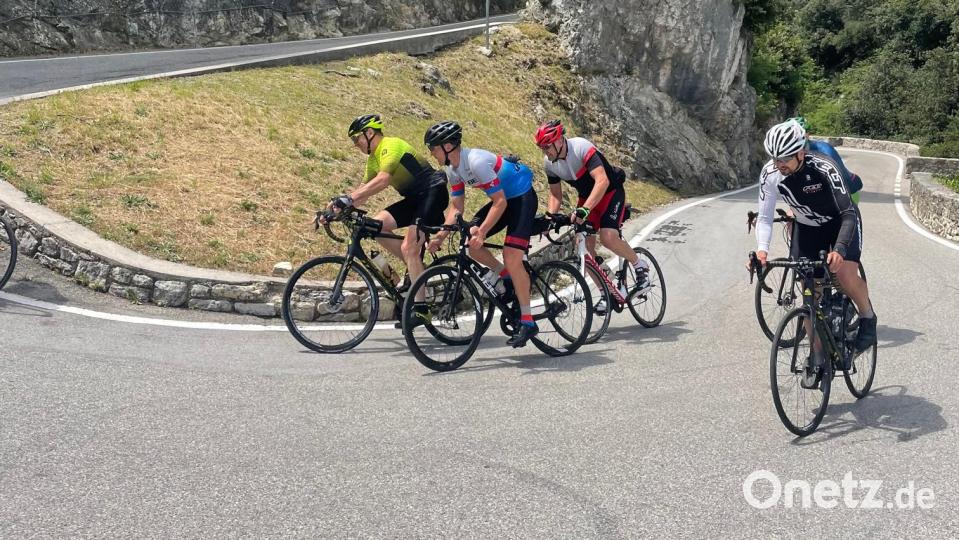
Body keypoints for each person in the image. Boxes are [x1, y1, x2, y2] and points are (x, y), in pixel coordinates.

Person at [752, 120, 877, 387]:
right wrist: (762, 252)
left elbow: (847, 213)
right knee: (809, 294)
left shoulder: (824, 167)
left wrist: (840, 250)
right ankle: (817, 356)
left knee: (843, 273)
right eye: (775, 158)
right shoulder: (770, 174)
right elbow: (764, 217)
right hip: (807, 228)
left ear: (801, 152)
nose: (779, 164)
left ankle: (867, 316)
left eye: (785, 157)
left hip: (840, 222)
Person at [423, 121, 540, 348]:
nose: (431, 153)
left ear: (448, 146)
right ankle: (506, 278)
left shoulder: (475, 162)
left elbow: (500, 201)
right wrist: (439, 237)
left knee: (511, 255)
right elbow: (456, 208)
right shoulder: (452, 169)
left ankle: (528, 321)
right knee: (469, 243)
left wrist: (483, 232)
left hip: (521, 197)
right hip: (504, 200)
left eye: (433, 148)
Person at [326, 114, 449, 325]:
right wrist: (332, 211)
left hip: (433, 193)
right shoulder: (373, 159)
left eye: (357, 139)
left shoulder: (390, 145)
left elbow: (383, 180)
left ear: (370, 132)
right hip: (414, 200)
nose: (355, 145)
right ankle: (416, 266)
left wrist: (348, 199)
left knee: (410, 247)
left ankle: (421, 310)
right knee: (376, 226)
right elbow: (362, 192)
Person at [535, 120, 649, 313]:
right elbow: (555, 194)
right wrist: (549, 218)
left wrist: (584, 210)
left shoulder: (581, 147)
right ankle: (607, 291)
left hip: (610, 193)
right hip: (587, 198)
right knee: (584, 249)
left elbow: (602, 181)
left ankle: (640, 265)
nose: (546, 152)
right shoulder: (550, 164)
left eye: (548, 146)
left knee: (608, 237)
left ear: (560, 141)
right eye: (542, 148)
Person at [788, 116, 864, 205]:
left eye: (798, 134)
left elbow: (841, 182)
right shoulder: (787, 154)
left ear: (807, 134)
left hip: (848, 191)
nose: (793, 138)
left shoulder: (825, 150)